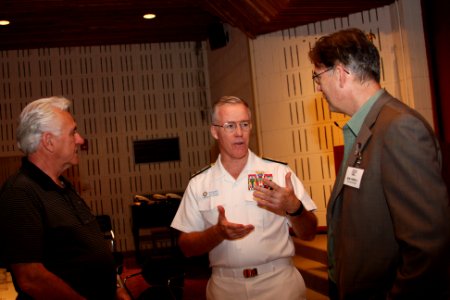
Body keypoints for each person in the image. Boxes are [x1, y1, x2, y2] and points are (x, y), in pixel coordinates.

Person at [308, 28, 450, 299]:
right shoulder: (366, 127)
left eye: (317, 76)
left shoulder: (400, 127)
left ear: (340, 73)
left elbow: (427, 248)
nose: (317, 87)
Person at [171, 96, 318, 300]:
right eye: (230, 126)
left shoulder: (278, 173)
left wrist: (295, 208)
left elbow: (309, 233)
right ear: (215, 131)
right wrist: (217, 233)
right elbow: (186, 247)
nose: (239, 133)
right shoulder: (199, 184)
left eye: (244, 124)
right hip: (225, 289)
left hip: (279, 285)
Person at [0, 96, 130, 300]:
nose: (80, 140)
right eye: (73, 132)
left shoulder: (63, 186)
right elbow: (31, 277)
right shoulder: (20, 193)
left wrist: (116, 289)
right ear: (49, 142)